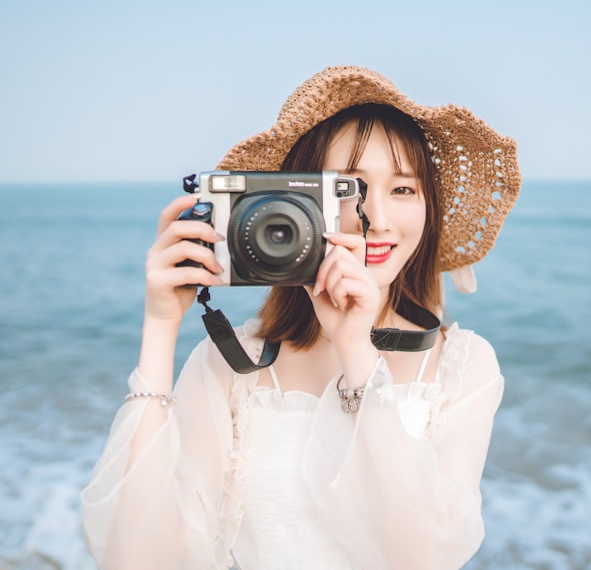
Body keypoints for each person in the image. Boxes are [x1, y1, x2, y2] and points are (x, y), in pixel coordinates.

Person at [81, 66, 521, 569]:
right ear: (295, 204)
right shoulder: (231, 365)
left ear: (429, 206)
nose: (376, 218)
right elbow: (138, 557)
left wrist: (357, 351)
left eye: (404, 190)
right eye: (350, 191)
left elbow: (424, 554)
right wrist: (159, 328)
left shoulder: (461, 366)